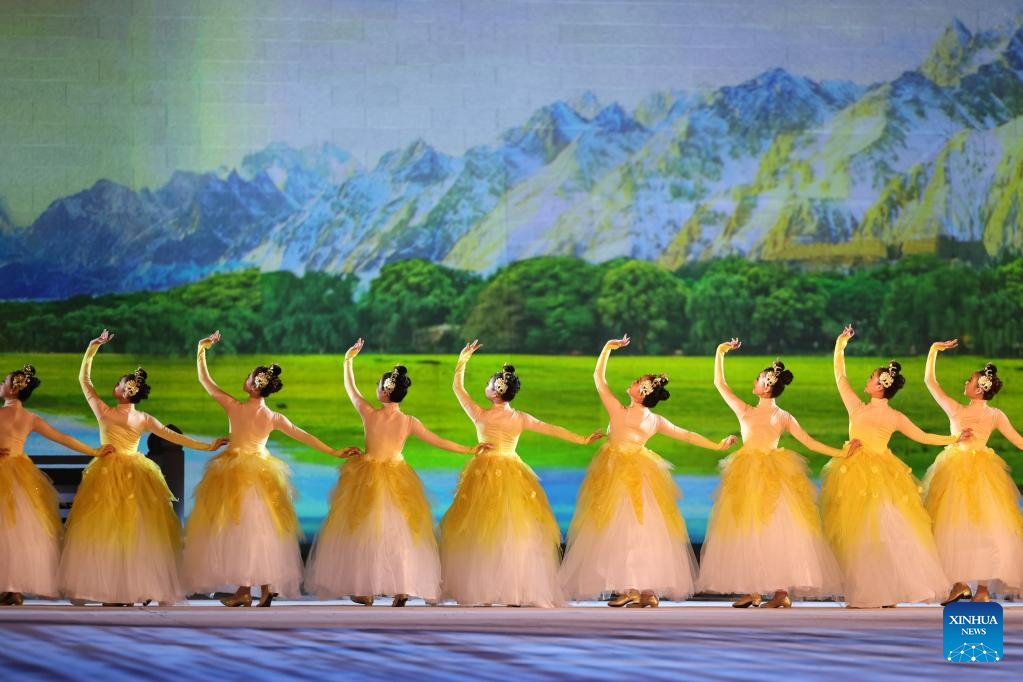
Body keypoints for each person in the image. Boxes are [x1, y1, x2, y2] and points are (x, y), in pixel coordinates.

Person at [306, 338, 490, 607]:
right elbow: (438, 441)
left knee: (364, 529)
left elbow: (351, 389)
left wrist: (348, 361)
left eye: (378, 385)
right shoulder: (408, 421)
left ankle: (366, 588)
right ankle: (401, 586)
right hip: (397, 477)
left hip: (367, 476)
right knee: (400, 532)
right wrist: (468, 449)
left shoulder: (369, 413)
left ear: (383, 391)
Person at [560, 334, 737, 608]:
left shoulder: (619, 411)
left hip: (619, 474)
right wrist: (716, 444)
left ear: (642, 392)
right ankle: (646, 592)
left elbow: (599, 379)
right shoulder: (654, 420)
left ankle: (632, 588)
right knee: (641, 530)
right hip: (641, 473)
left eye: (636, 382)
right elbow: (686, 434)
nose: (632, 382)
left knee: (622, 528)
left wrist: (607, 348)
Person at [185, 330, 356, 608]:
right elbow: (303, 435)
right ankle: (262, 588)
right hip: (263, 475)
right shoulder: (272, 416)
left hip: (235, 474)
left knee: (241, 530)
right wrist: (333, 451)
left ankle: (245, 591)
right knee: (261, 531)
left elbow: (206, 381)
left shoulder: (234, 406)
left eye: (248, 377)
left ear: (254, 386)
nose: (245, 378)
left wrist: (201, 350)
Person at [60, 330, 227, 606]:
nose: (116, 385)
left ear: (122, 390)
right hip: (136, 474)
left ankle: (114, 592)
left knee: (105, 533)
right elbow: (175, 437)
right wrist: (206, 446)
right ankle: (128, 590)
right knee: (135, 534)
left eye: (118, 383)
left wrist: (93, 347)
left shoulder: (104, 411)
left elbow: (84, 380)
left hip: (107, 474)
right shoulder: (142, 418)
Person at [439, 340, 604, 607]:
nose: (487, 386)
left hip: (483, 474)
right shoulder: (519, 417)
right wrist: (581, 439)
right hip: (512, 472)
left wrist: (462, 360)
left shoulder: (480, 414)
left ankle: (483, 590)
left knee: (481, 530)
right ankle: (514, 590)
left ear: (496, 391)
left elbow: (457, 388)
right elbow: (552, 429)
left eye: (489, 383)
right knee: (513, 530)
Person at [822, 325, 967, 608]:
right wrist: (953, 438)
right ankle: (886, 591)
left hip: (861, 474)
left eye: (871, 378)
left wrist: (841, 344)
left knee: (864, 533)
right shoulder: (891, 415)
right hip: (883, 475)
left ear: (880, 386)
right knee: (885, 533)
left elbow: (840, 375)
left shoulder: (858, 408)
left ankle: (873, 593)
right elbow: (924, 436)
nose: (868, 380)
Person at [699, 339, 852, 608]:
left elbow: (809, 442)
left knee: (772, 529)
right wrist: (719, 352)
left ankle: (779, 592)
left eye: (758, 379)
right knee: (752, 528)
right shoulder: (752, 411)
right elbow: (719, 384)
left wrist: (842, 453)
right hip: (749, 474)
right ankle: (757, 590)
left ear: (767, 386)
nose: (754, 382)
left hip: (770, 476)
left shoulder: (771, 415)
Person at [0, 365, 114, 606]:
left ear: (12, 389)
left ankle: (8, 587)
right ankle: (12, 587)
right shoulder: (30, 418)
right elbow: (64, 438)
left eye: (4, 381)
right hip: (20, 477)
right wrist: (93, 450)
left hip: (9, 474)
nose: (1, 385)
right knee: (18, 532)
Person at [922, 339, 1023, 603]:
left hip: (956, 472)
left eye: (970, 380)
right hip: (985, 475)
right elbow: (1019, 441)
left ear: (979, 390)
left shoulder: (956, 410)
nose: (966, 382)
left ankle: (960, 584)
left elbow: (930, 382)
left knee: (954, 527)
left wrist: (934, 351)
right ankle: (981, 591)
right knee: (985, 528)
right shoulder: (995, 415)